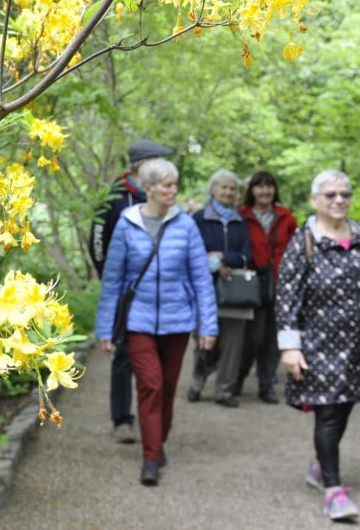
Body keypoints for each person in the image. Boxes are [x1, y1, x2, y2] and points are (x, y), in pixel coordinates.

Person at [276, 169, 360, 521]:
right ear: (315, 201)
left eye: (344, 194)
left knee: (344, 407)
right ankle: (333, 490)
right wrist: (290, 347)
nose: (338, 200)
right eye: (330, 195)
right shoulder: (305, 241)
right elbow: (286, 298)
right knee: (328, 413)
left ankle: (319, 468)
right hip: (319, 345)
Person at [95, 158, 218, 486]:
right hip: (138, 320)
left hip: (178, 322)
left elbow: (201, 279)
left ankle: (156, 441)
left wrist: (208, 326)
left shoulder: (186, 225)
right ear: (147, 188)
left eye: (174, 185)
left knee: (166, 389)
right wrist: (105, 328)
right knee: (150, 384)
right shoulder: (126, 223)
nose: (173, 191)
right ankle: (151, 458)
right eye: (166, 185)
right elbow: (113, 280)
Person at [88, 138, 174, 445]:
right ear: (142, 164)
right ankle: (122, 419)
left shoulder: (164, 193)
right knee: (123, 355)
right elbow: (96, 242)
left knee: (158, 357)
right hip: (126, 293)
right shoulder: (114, 196)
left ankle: (155, 418)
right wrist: (110, 280)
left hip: (161, 293)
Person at [187, 169, 252, 408]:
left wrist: (224, 258)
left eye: (232, 189)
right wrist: (212, 263)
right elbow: (190, 254)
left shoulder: (240, 221)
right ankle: (197, 383)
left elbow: (247, 256)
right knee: (204, 340)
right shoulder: (199, 219)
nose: (228, 192)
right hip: (204, 290)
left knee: (233, 343)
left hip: (235, 291)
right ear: (212, 190)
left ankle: (224, 390)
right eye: (223, 187)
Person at [235, 171, 298, 404]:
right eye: (259, 187)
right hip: (251, 283)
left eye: (268, 186)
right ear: (252, 190)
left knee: (273, 337)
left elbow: (297, 247)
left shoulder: (285, 216)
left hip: (281, 282)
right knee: (250, 337)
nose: (264, 191)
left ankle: (266, 384)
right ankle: (237, 379)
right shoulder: (242, 216)